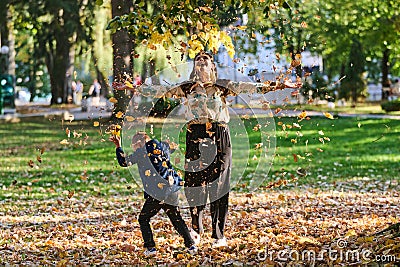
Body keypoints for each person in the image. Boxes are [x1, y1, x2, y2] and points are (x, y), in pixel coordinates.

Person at [113, 51, 302, 248]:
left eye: (206, 59)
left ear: (212, 66)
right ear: (195, 66)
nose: (202, 61)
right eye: (198, 59)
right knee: (194, 183)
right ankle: (196, 228)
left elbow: (251, 87)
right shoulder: (187, 88)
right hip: (194, 134)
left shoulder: (222, 86)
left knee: (219, 184)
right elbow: (159, 90)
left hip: (219, 134)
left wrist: (280, 85)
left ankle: (218, 235)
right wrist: (131, 86)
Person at [109, 131, 198, 257]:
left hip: (157, 193)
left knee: (143, 218)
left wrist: (118, 146)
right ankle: (191, 245)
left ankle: (150, 248)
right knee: (176, 218)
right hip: (171, 189)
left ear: (139, 143)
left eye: (134, 146)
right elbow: (172, 147)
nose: (134, 149)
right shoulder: (161, 146)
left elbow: (124, 162)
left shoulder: (141, 152)